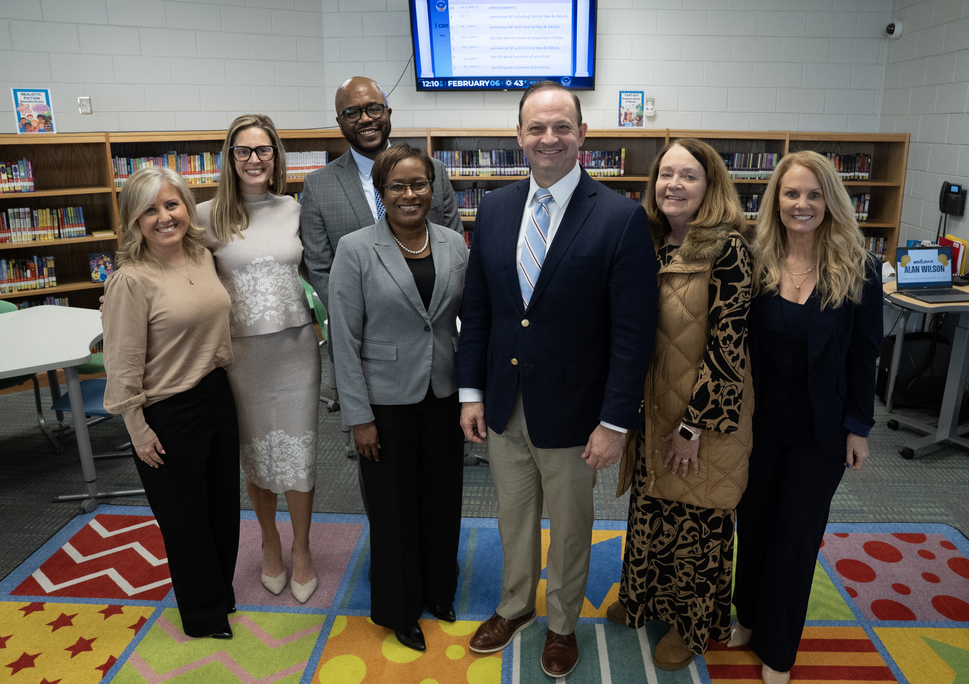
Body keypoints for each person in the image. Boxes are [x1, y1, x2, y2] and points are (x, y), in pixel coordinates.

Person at [458, 81, 658, 678]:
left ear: (582, 134)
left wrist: (616, 421)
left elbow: (633, 333)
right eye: (536, 128)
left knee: (572, 527)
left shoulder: (620, 218)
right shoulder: (493, 209)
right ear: (519, 136)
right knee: (513, 516)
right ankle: (516, 605)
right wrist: (470, 392)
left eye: (561, 126)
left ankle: (564, 623)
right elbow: (480, 310)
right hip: (503, 403)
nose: (549, 138)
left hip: (579, 411)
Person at [731, 150, 883, 684]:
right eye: (792, 193)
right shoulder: (755, 258)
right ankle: (747, 616)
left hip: (821, 431)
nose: (802, 204)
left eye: (814, 194)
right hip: (757, 426)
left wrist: (859, 428)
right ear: (776, 199)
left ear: (830, 202)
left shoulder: (859, 266)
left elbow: (865, 354)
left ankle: (778, 647)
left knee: (796, 538)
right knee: (753, 527)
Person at [608, 139, 754, 670]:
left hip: (703, 410)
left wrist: (695, 425)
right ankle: (644, 598)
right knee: (651, 504)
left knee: (698, 512)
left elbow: (729, 344)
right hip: (650, 402)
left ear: (710, 185)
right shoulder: (643, 240)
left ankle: (691, 625)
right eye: (666, 174)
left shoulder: (730, 249)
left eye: (688, 176)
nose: (674, 184)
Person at [329, 143, 467, 652]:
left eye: (419, 184)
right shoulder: (356, 248)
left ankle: (439, 591)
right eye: (398, 186)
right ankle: (400, 607)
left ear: (433, 188)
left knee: (441, 497)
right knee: (392, 508)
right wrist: (358, 417)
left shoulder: (454, 244)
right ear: (380, 192)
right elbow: (345, 339)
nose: (410, 195)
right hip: (384, 402)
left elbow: (469, 322)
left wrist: (472, 394)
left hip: (443, 394)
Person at [102, 166, 238, 639]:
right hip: (167, 410)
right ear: (134, 220)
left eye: (172, 204)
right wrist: (136, 428)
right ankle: (202, 615)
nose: (164, 217)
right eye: (150, 209)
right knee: (185, 519)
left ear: (186, 205)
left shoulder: (202, 255)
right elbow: (121, 363)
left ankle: (221, 593)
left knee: (221, 506)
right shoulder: (130, 280)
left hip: (217, 394)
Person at [197, 114, 321, 604]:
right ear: (229, 159)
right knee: (257, 452)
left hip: (295, 352)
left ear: (276, 156)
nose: (254, 160)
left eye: (263, 150)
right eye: (244, 151)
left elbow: (324, 270)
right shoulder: (205, 216)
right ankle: (269, 539)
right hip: (240, 355)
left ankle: (304, 547)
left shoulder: (296, 210)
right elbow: (164, 263)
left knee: (300, 450)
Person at [299, 76, 463, 311]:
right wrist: (353, 318)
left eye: (374, 109)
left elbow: (452, 244)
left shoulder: (433, 170)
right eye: (352, 112)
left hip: (434, 318)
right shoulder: (319, 185)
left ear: (388, 112)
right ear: (339, 121)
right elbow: (320, 268)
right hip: (365, 331)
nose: (365, 119)